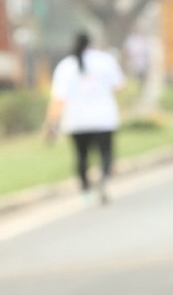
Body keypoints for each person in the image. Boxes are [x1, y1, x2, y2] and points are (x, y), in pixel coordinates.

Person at [46, 32, 125, 202]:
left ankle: (85, 191)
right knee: (106, 152)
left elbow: (58, 98)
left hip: (76, 120)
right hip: (103, 117)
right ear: (91, 43)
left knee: (81, 156)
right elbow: (118, 86)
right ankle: (104, 179)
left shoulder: (65, 66)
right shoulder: (105, 60)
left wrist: (51, 123)